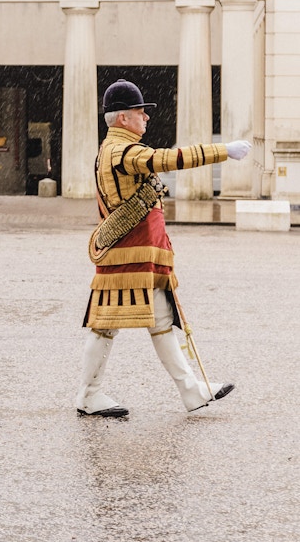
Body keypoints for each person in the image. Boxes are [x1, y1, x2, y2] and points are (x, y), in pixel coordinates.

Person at [76, 78, 248, 417]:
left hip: (135, 255)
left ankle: (190, 391)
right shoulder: (123, 151)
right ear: (123, 117)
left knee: (155, 321)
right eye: (141, 112)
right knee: (109, 325)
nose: (147, 118)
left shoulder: (112, 149)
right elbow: (170, 159)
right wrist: (223, 150)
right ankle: (89, 394)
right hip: (131, 256)